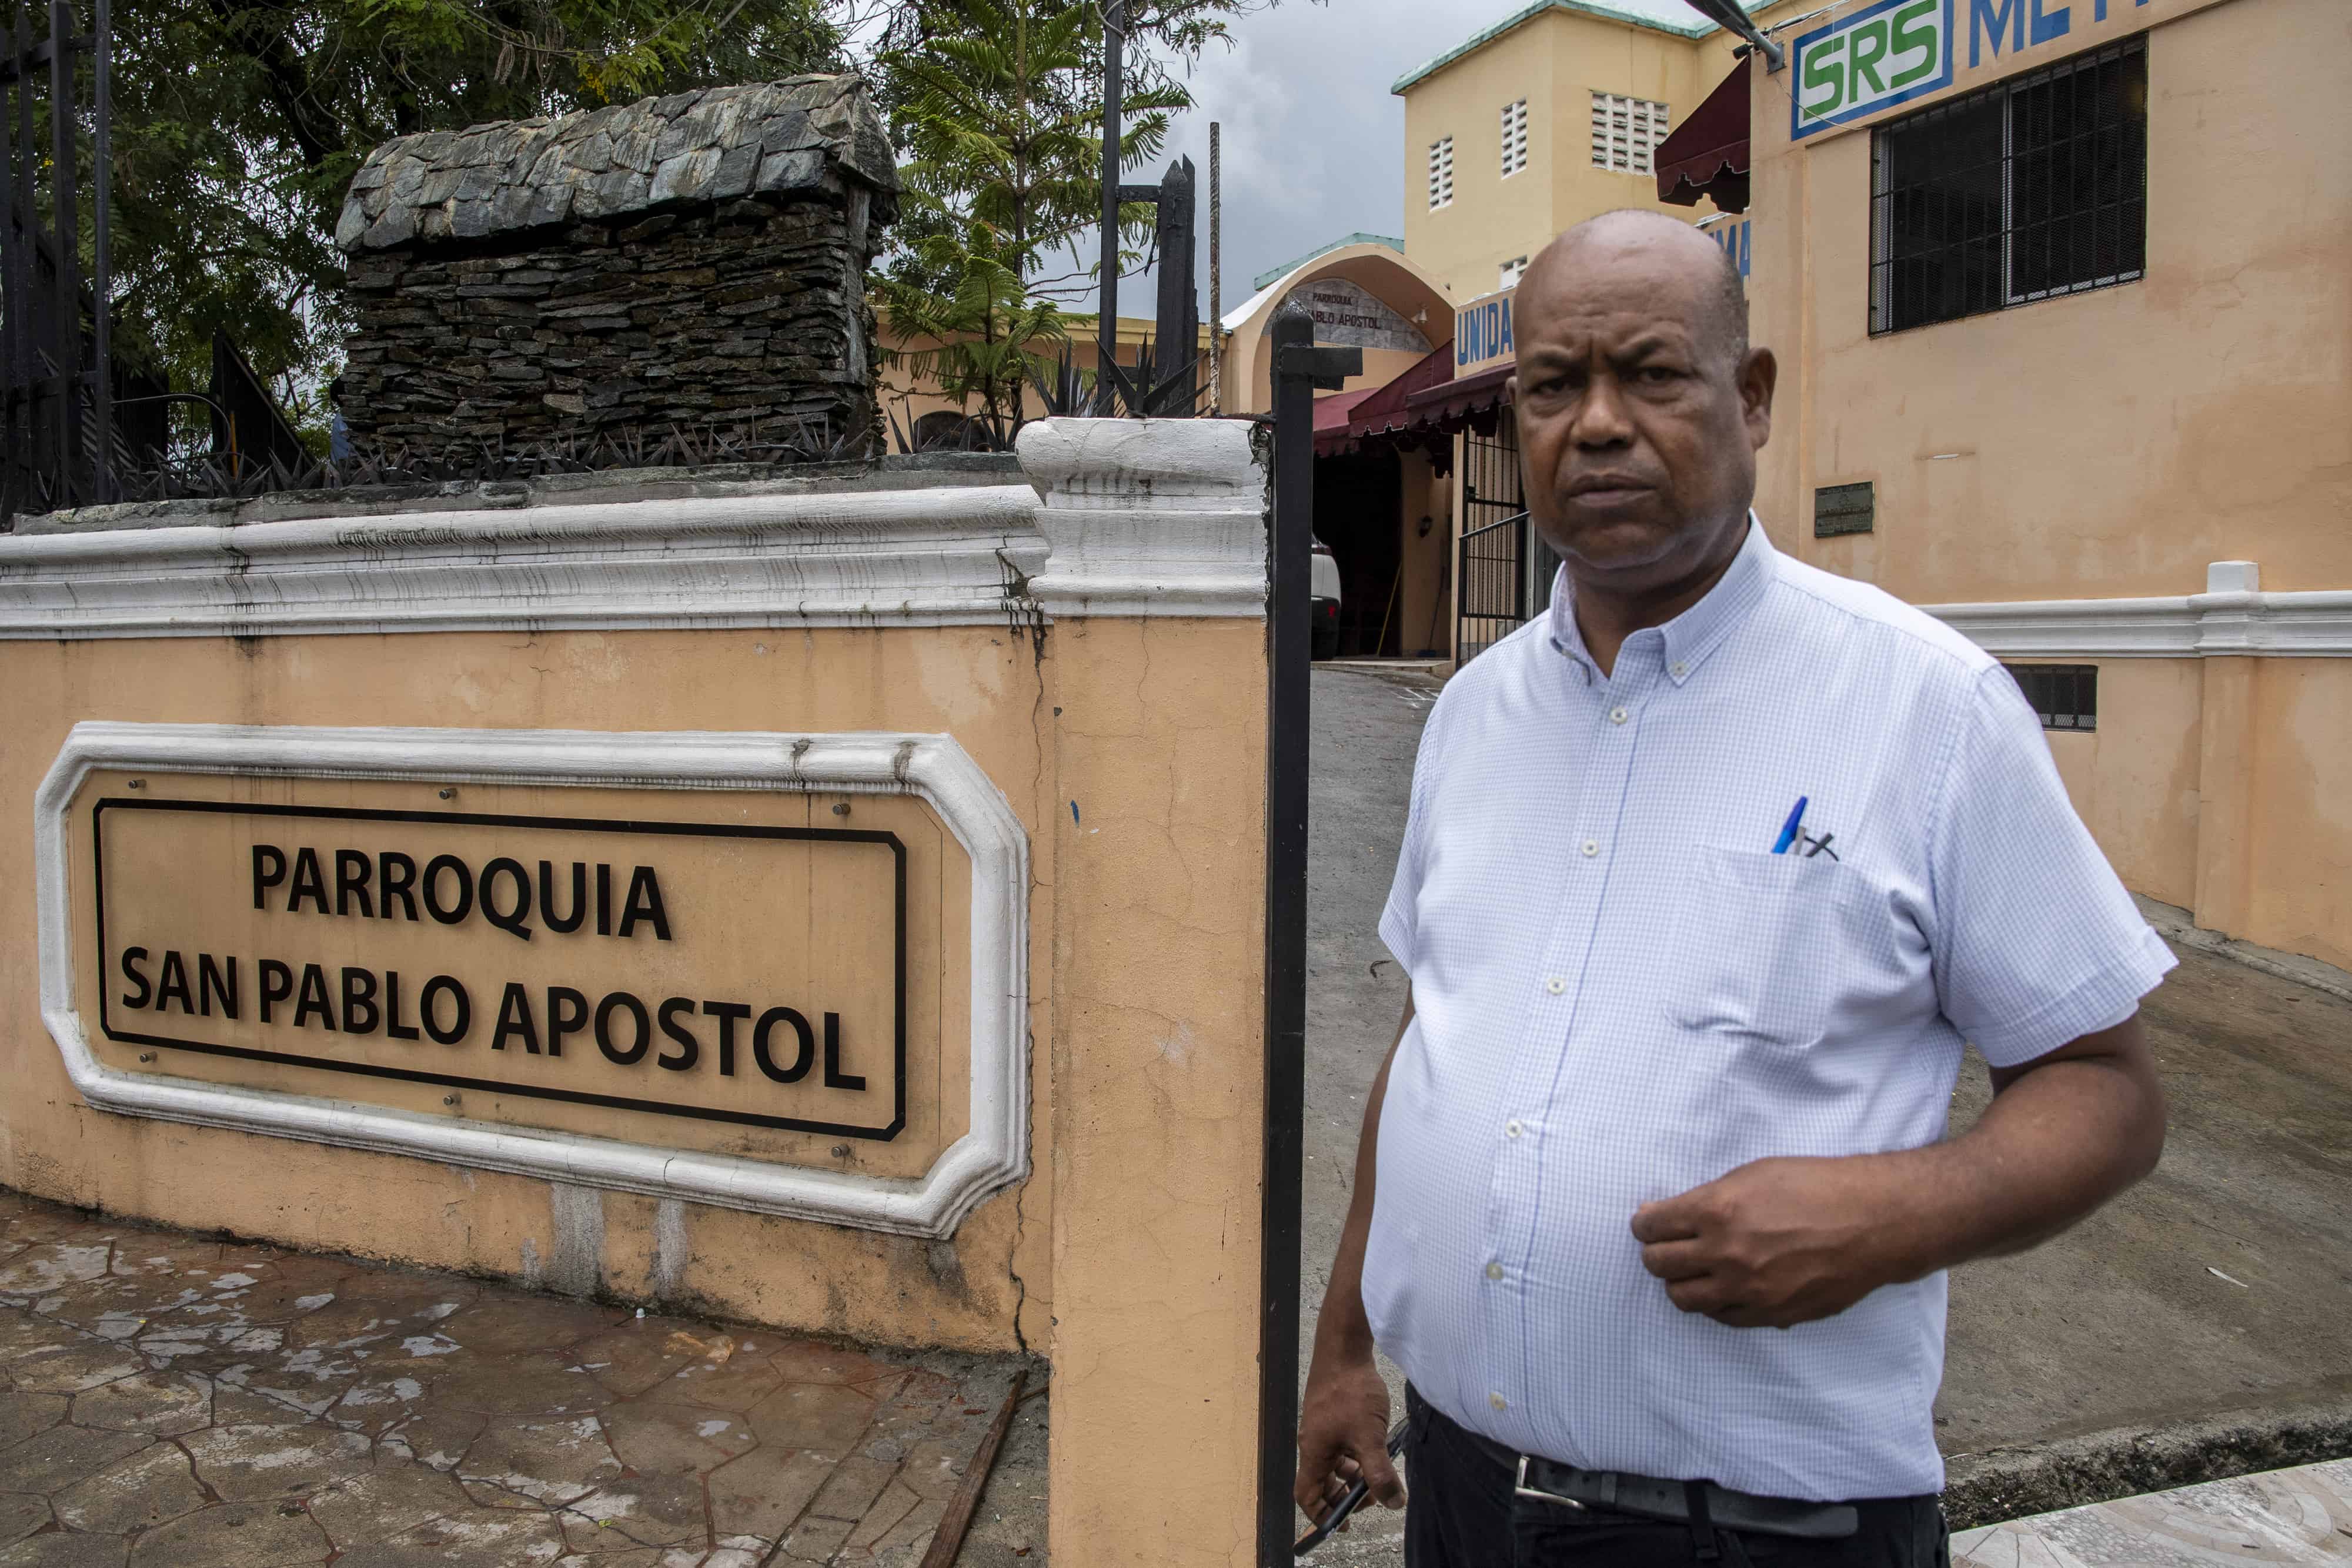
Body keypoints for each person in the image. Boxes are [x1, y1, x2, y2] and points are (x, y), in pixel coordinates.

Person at [1294, 210, 2173, 1566]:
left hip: (1760, 1536)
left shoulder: (1921, 708)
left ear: (1748, 396)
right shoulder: (1472, 717)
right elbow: (1434, 1039)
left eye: (1650, 374)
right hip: (1464, 1501)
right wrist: (1344, 1343)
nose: (1594, 424)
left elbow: (2106, 1086)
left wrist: (1888, 1215)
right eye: (1550, 385)